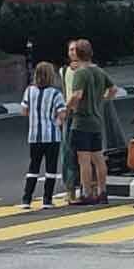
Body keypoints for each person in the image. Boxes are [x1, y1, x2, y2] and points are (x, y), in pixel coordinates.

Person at [66, 39, 116, 205]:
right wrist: (102, 100)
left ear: (78, 54)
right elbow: (113, 89)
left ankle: (86, 193)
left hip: (82, 120)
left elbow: (77, 95)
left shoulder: (81, 73)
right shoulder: (99, 71)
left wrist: (67, 109)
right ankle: (103, 192)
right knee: (99, 159)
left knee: (84, 160)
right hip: (96, 120)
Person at [20, 62, 66, 209]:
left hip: (34, 136)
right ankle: (47, 200)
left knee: (33, 167)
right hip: (52, 136)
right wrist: (56, 123)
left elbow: (24, 111)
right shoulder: (56, 93)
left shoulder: (29, 91)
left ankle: (26, 199)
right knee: (50, 168)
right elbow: (62, 114)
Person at [59, 41, 81, 202]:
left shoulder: (88, 69)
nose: (73, 52)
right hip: (70, 114)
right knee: (68, 152)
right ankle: (70, 188)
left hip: (85, 114)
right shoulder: (64, 70)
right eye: (71, 49)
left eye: (76, 49)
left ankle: (90, 187)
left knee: (87, 153)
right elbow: (65, 92)